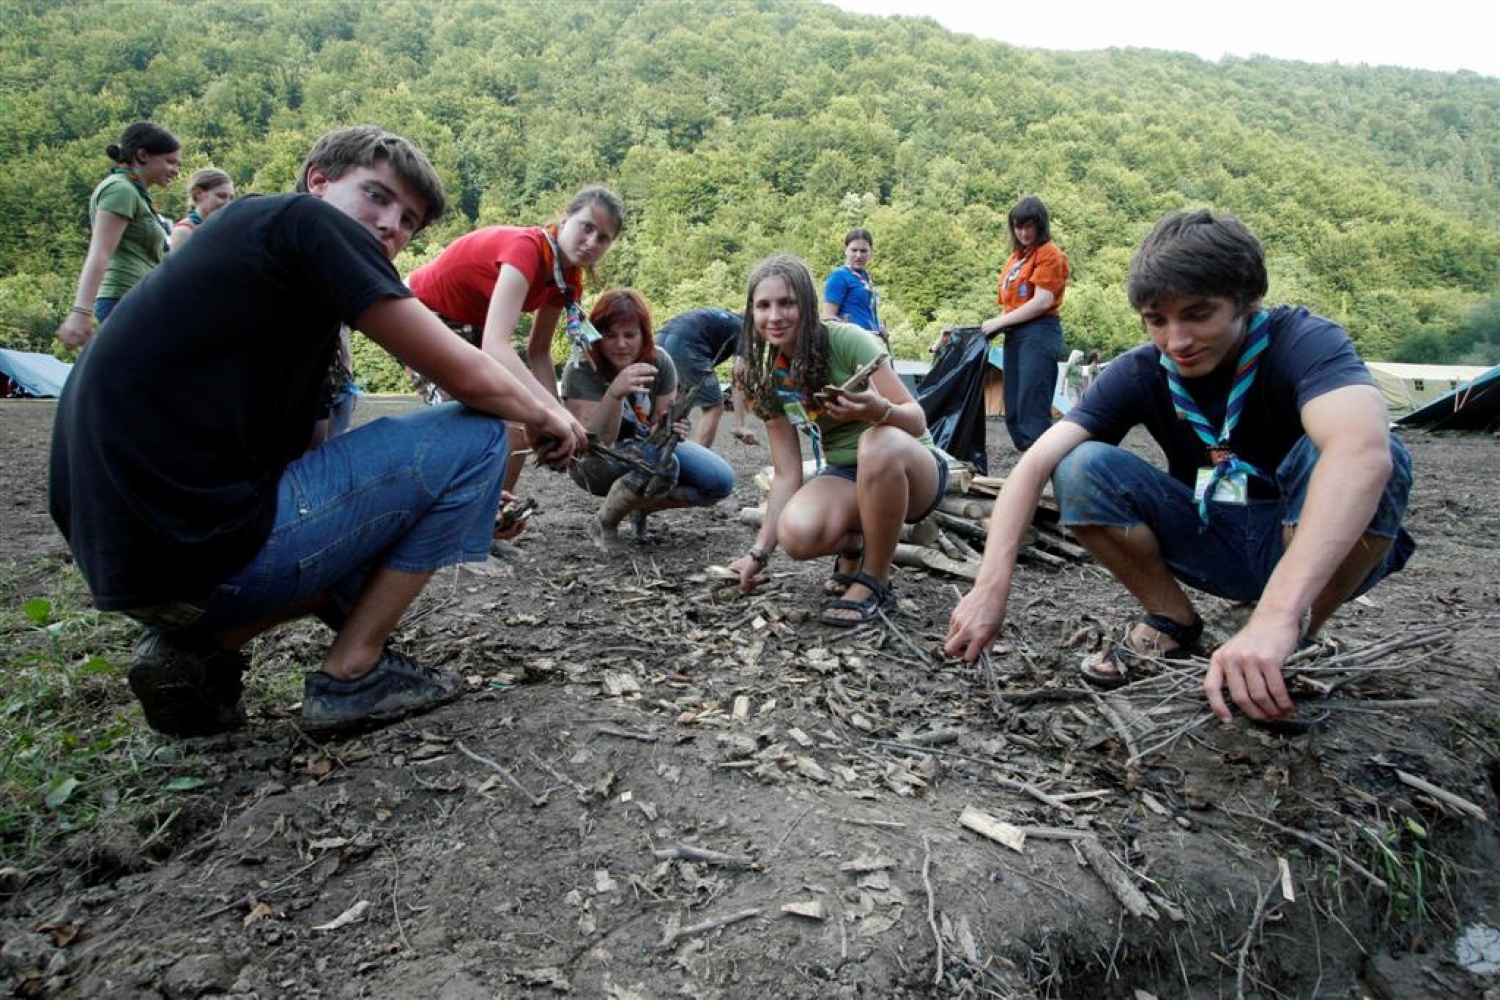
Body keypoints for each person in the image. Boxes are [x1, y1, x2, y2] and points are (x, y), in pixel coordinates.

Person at [49, 125, 587, 738]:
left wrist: (448, 506)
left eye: (409, 220)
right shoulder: (303, 221)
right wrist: (551, 416)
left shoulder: (271, 287)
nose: (391, 225)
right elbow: (471, 376)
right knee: (478, 436)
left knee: (415, 499)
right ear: (319, 181)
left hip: (135, 568)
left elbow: (313, 463)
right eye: (378, 196)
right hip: (194, 554)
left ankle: (200, 651)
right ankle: (353, 673)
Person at [945, 209, 1416, 725]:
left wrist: (1276, 617)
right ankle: (1173, 619)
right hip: (1212, 533)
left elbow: (1361, 451)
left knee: (1386, 455)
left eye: (1198, 314)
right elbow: (1034, 465)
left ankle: (1299, 634)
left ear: (1245, 301)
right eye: (1157, 320)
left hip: (1313, 542)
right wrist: (990, 586)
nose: (1177, 340)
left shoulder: (1304, 342)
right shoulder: (1142, 371)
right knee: (1079, 465)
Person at [729, 255, 948, 626]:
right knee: (796, 534)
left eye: (787, 302)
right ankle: (857, 545)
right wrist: (759, 554)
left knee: (876, 444)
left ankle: (875, 579)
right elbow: (786, 475)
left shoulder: (847, 340)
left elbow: (916, 419)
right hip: (846, 475)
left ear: (808, 304)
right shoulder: (770, 379)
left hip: (911, 469)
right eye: (763, 306)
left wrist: (877, 411)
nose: (775, 316)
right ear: (752, 314)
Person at [407, 186, 623, 491]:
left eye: (603, 238)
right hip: (422, 312)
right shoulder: (527, 248)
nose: (591, 242)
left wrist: (550, 420)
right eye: (586, 227)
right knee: (467, 426)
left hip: (472, 328)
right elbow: (496, 346)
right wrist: (552, 411)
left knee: (519, 425)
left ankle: (495, 520)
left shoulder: (568, 281)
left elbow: (539, 352)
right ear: (565, 220)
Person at [561, 289, 735, 548]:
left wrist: (673, 428)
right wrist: (615, 393)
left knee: (718, 481)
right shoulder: (582, 368)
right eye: (611, 336)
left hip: (644, 445)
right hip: (594, 461)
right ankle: (605, 522)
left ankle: (638, 505)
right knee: (661, 464)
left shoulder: (660, 361)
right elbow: (594, 441)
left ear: (644, 335)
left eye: (630, 335)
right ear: (597, 336)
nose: (621, 344)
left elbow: (657, 427)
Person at [56, 122, 182, 349]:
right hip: (122, 299)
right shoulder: (120, 189)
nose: (176, 170)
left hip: (139, 299)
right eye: (170, 161)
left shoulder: (135, 193)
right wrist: (81, 311)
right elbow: (100, 251)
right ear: (142, 155)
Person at [980, 196, 1070, 452]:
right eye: (1018, 227)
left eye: (1029, 226)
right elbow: (1010, 304)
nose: (1023, 232)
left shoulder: (1049, 254)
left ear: (1041, 226)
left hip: (1040, 333)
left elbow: (1042, 301)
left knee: (1032, 409)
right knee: (1015, 411)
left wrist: (998, 322)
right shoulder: (1017, 258)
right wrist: (1000, 324)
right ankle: (1031, 463)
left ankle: (1043, 468)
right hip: (1016, 335)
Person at [655, 307, 756, 448]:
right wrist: (740, 425)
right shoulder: (743, 328)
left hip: (660, 338)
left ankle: (659, 450)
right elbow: (739, 375)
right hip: (686, 346)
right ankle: (697, 461)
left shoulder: (725, 318)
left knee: (674, 401)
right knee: (714, 405)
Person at [822, 227, 884, 340]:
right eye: (854, 250)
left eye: (863, 251)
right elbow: (828, 318)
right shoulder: (839, 276)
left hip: (871, 341)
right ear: (846, 250)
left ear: (871, 251)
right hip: (852, 345)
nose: (858, 255)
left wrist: (879, 329)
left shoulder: (865, 277)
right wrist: (850, 331)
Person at [169, 167, 236, 251]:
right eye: (221, 196)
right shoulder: (184, 232)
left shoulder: (224, 231)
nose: (228, 203)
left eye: (231, 198)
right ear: (198, 194)